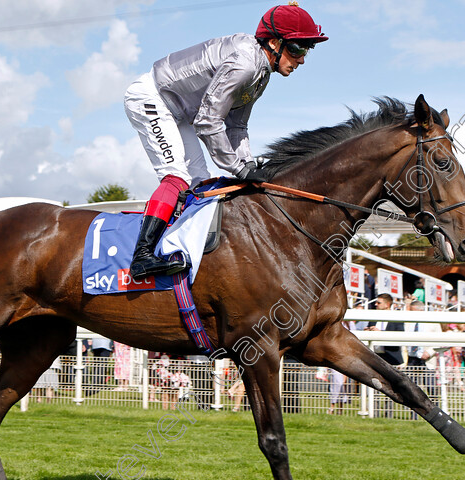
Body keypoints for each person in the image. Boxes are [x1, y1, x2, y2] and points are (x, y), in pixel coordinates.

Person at [124, 3, 328, 278]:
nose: (302, 59)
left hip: (180, 111)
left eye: (307, 50)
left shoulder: (261, 72)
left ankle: (178, 249)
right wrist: (238, 168)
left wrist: (250, 165)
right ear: (273, 42)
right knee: (176, 178)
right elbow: (208, 120)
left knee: (199, 183)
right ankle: (142, 257)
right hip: (152, 98)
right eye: (298, 49)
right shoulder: (245, 65)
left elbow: (236, 125)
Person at [365, 293, 405, 366]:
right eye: (376, 302)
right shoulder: (373, 317)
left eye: (379, 303)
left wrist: (380, 333)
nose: (376, 304)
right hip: (375, 357)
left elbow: (399, 336)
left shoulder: (397, 318)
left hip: (392, 358)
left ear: (387, 304)